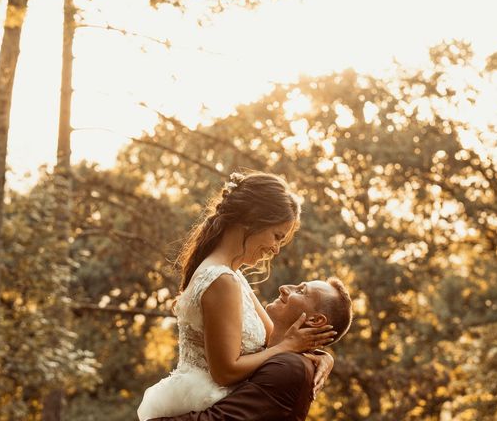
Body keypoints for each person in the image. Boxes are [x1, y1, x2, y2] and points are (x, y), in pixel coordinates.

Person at [138, 172, 338, 421]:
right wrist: (289, 347)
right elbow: (226, 372)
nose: (276, 249)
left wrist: (321, 356)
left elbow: (270, 346)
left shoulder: (233, 275)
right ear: (253, 220)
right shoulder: (222, 280)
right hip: (204, 401)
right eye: (277, 236)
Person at [148, 278, 353, 421]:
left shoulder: (290, 368)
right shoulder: (274, 353)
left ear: (316, 321)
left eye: (301, 291)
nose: (284, 288)